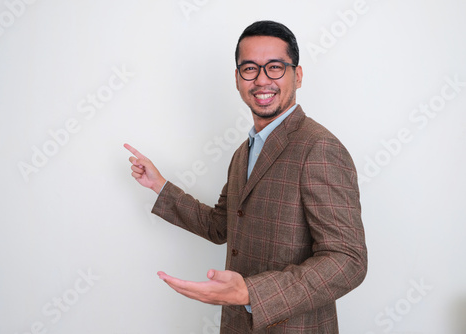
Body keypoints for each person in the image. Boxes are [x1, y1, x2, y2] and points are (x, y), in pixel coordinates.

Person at [124, 20, 368, 333]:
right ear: (238, 79)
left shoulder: (319, 148)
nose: (262, 79)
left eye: (275, 67)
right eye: (250, 68)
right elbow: (219, 226)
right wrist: (159, 186)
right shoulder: (244, 151)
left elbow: (348, 261)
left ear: (299, 75)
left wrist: (251, 293)